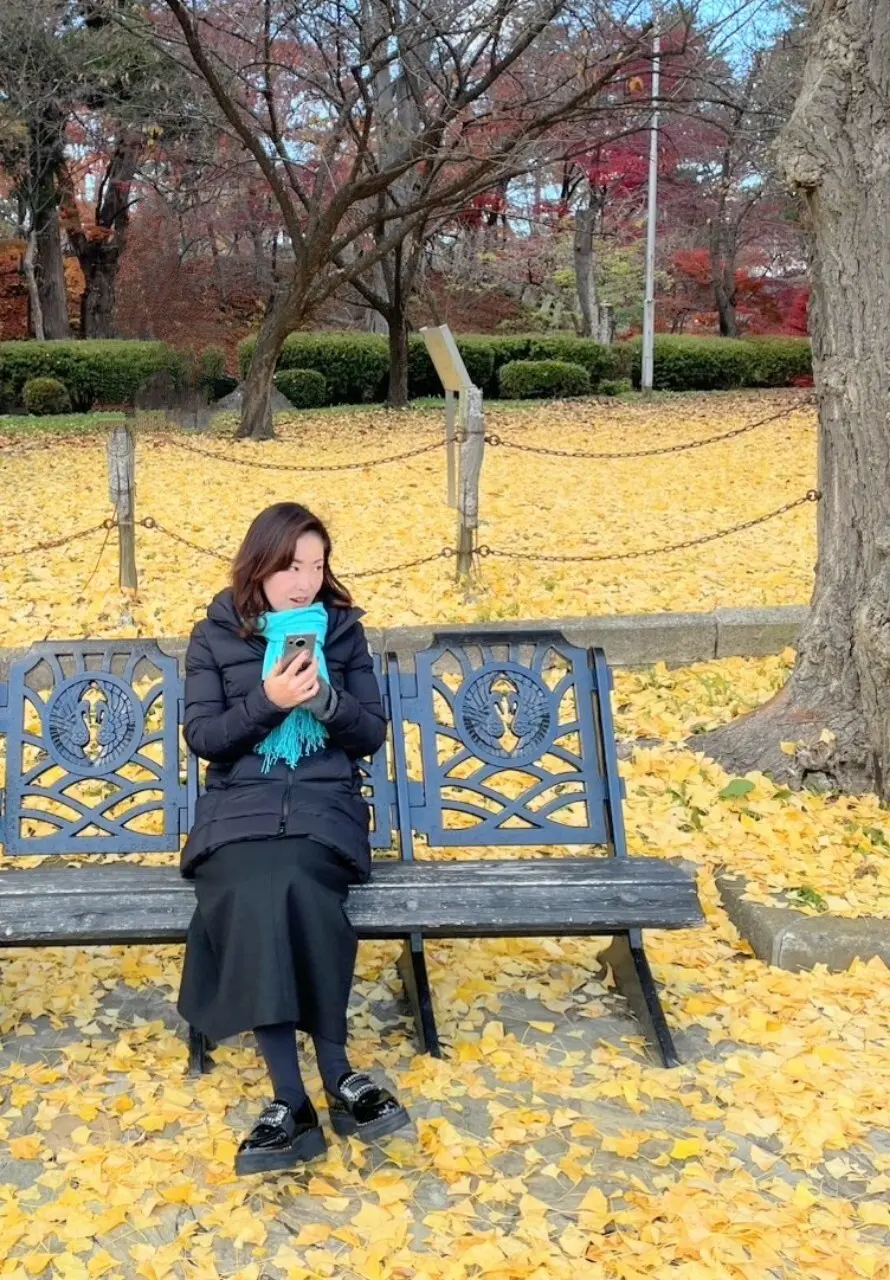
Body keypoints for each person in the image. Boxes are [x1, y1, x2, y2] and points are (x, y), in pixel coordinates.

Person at [177, 501, 409, 1176]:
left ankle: (321, 1084)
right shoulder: (215, 634)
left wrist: (325, 703)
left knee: (295, 884)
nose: (304, 580)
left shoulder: (342, 634)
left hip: (321, 809)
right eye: (290, 565)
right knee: (257, 888)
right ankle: (305, 1092)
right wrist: (268, 703)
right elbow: (205, 739)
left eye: (316, 565)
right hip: (238, 815)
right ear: (261, 564)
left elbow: (368, 734)